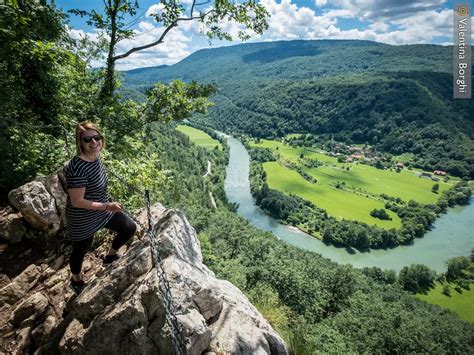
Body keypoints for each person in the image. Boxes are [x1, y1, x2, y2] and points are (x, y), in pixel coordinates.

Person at [64, 122, 136, 294]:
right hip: (82, 217)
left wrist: (106, 205)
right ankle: (76, 280)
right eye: (87, 139)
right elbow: (77, 201)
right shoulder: (77, 167)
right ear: (80, 142)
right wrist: (107, 206)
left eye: (97, 137)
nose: (94, 142)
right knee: (81, 248)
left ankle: (110, 256)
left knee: (128, 227)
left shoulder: (96, 157)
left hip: (101, 210)